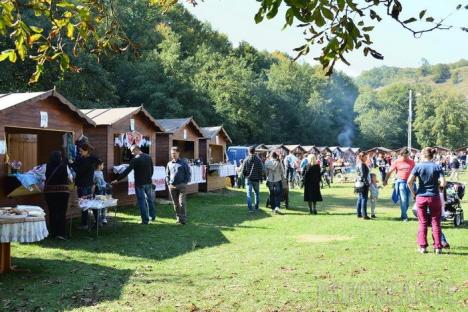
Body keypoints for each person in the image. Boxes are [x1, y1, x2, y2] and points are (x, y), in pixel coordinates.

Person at [407, 147, 446, 254]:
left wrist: (413, 193)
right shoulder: (437, 167)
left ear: (423, 155)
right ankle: (438, 247)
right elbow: (443, 183)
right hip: (434, 196)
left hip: (421, 196)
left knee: (422, 222)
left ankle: (423, 247)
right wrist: (439, 188)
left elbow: (409, 182)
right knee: (436, 222)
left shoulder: (418, 167)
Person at [112, 145, 155, 225]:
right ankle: (152, 217)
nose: (132, 153)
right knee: (150, 200)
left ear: (136, 150)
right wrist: (149, 178)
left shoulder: (135, 159)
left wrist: (117, 179)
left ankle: (145, 221)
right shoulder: (148, 157)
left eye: (132, 151)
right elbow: (152, 170)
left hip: (139, 184)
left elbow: (126, 171)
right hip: (148, 182)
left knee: (142, 202)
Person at [44, 151, 73, 240]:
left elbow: (41, 177)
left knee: (52, 212)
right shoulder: (64, 166)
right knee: (61, 213)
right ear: (60, 158)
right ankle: (61, 233)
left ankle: (53, 233)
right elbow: (70, 178)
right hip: (62, 193)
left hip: (49, 193)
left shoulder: (46, 166)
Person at [69, 143, 99, 228]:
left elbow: (79, 170)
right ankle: (96, 221)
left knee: (85, 203)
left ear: (86, 151)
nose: (80, 152)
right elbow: (78, 165)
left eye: (81, 151)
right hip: (86, 184)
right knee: (89, 203)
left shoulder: (88, 160)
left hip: (84, 185)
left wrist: (72, 164)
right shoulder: (87, 158)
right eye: (79, 151)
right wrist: (72, 163)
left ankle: (85, 223)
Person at [383, 148, 415, 222]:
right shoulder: (397, 161)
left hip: (410, 183)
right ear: (401, 155)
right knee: (403, 199)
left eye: (407, 155)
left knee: (408, 201)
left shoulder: (412, 162)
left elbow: (415, 172)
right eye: (405, 156)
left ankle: (403, 213)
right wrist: (385, 180)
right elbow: (390, 171)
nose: (406, 157)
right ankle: (404, 216)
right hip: (401, 182)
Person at [165, 147, 191, 224]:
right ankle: (178, 218)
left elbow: (188, 174)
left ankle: (183, 219)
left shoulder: (184, 163)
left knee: (181, 202)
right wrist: (168, 184)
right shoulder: (169, 164)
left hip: (181, 186)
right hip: (172, 186)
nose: (172, 155)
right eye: (171, 153)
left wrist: (184, 183)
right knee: (175, 203)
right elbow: (167, 175)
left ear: (178, 153)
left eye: (174, 153)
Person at [242, 146, 264, 213]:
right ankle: (256, 207)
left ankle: (250, 209)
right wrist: (261, 179)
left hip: (248, 179)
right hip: (256, 179)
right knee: (256, 194)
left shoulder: (246, 160)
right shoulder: (258, 160)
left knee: (249, 195)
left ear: (249, 151)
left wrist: (246, 176)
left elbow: (243, 170)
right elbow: (261, 170)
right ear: (255, 151)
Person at [355, 152, 371, 220]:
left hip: (358, 183)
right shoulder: (362, 164)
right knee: (364, 198)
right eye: (365, 156)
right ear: (362, 157)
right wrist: (367, 184)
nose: (366, 158)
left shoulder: (358, 164)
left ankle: (359, 214)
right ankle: (364, 215)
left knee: (360, 198)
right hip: (363, 183)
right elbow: (363, 175)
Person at [93, 159, 108, 224]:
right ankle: (97, 219)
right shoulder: (94, 173)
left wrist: (107, 184)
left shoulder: (101, 172)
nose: (103, 166)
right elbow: (94, 182)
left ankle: (104, 217)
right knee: (98, 204)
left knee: (104, 203)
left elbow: (103, 181)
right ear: (99, 165)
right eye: (102, 165)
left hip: (103, 190)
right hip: (98, 191)